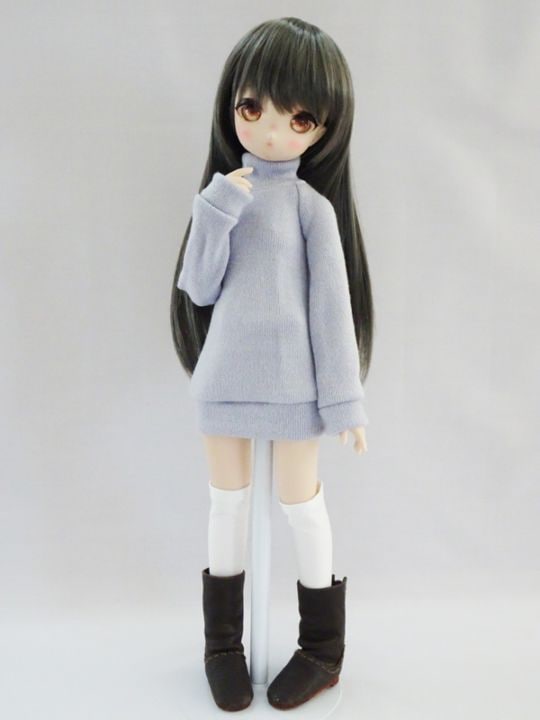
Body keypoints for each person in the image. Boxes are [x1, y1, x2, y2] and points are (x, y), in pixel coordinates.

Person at [170, 16, 374, 711]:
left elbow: (332, 312)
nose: (271, 129)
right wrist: (218, 206)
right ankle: (221, 646)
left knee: (302, 506)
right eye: (253, 108)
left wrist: (344, 403)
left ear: (322, 130)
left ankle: (322, 648)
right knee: (226, 504)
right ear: (232, 105)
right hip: (225, 379)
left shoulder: (313, 211)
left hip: (294, 389)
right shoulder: (223, 197)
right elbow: (198, 287)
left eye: (299, 118)